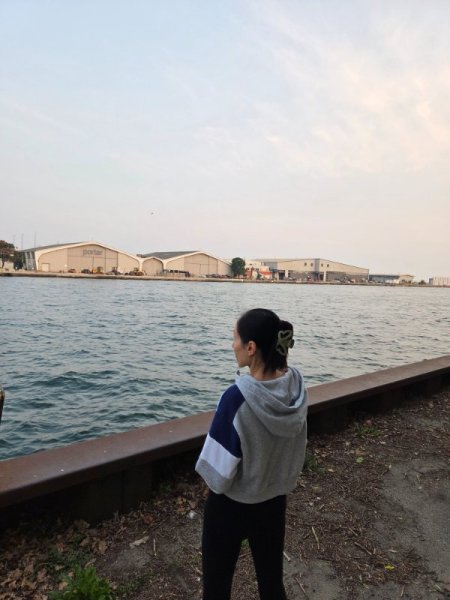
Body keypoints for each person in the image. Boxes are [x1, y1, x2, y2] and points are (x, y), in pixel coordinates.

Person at [196, 308, 308, 600]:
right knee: (271, 585)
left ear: (251, 348)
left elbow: (216, 474)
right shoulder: (295, 387)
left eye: (235, 338)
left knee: (216, 590)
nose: (232, 344)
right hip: (274, 499)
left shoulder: (236, 399)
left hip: (231, 507)